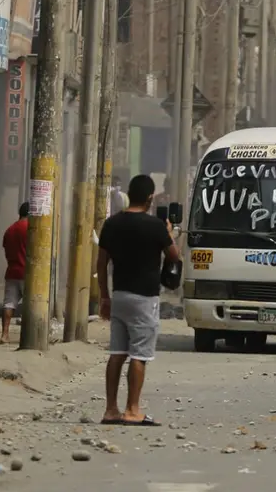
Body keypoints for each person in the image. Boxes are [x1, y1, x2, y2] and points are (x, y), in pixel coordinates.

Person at [98, 174, 181, 426]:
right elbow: (174, 256)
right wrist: (169, 233)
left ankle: (110, 410)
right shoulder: (155, 226)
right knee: (139, 355)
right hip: (145, 298)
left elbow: (101, 264)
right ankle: (132, 410)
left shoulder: (111, 223)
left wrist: (104, 296)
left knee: (117, 353)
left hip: (119, 295)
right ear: (149, 198)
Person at [1, 202, 29, 344]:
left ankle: (4, 335)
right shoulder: (31, 229)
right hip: (28, 274)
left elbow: (6, 249)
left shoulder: (10, 230)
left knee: (9, 304)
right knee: (31, 305)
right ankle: (28, 337)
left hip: (12, 272)